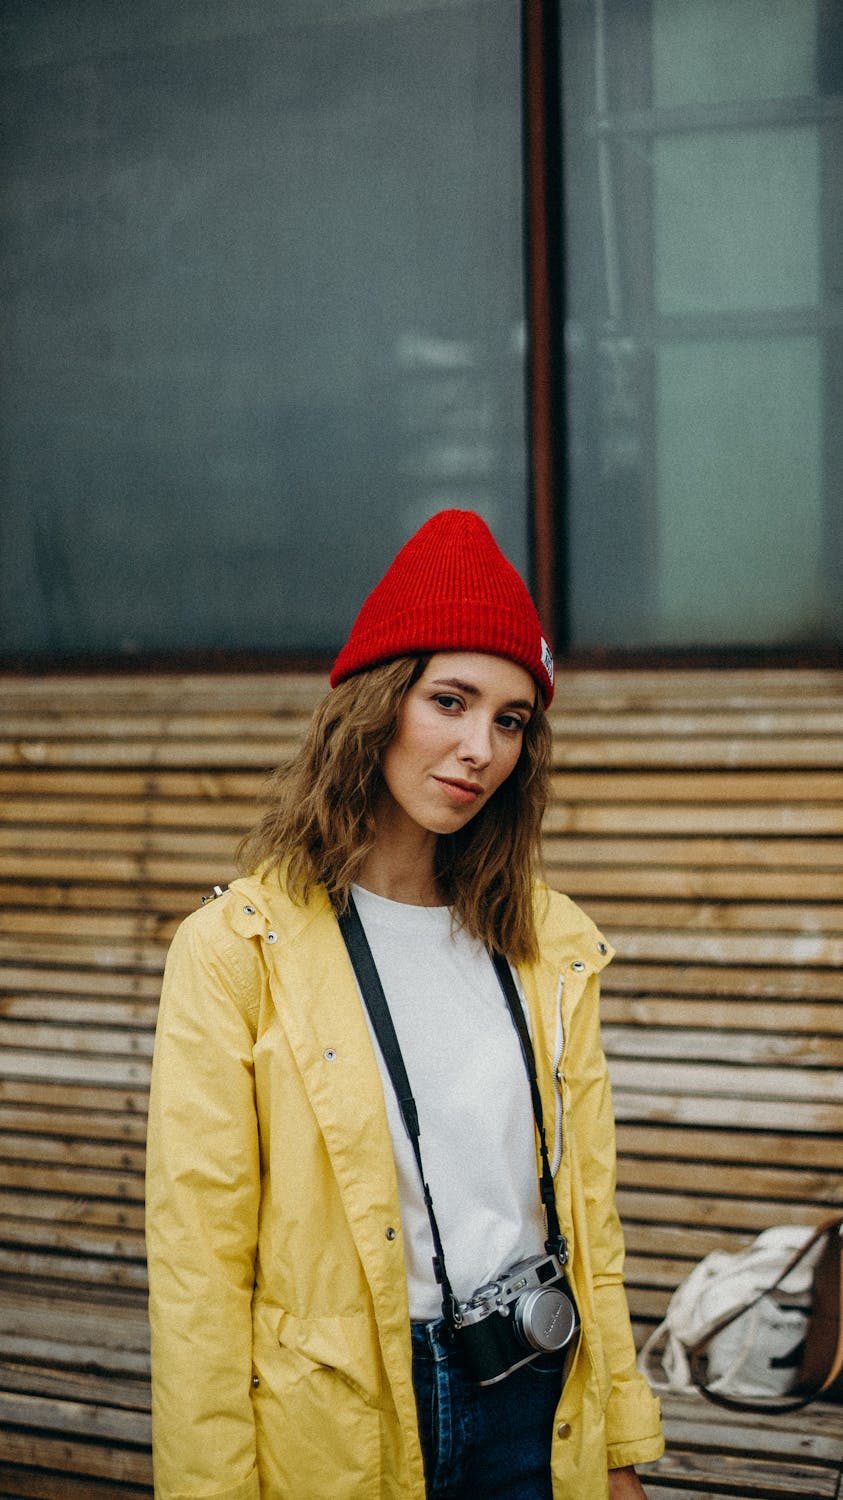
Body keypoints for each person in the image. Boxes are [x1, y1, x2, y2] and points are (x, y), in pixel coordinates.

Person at [146, 509, 664, 1500]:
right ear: (378, 702)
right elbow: (199, 1281)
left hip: (540, 1402)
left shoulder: (547, 943)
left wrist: (616, 1446)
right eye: (451, 701)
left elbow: (590, 1223)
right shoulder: (236, 953)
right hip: (345, 1423)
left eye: (512, 719)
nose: (480, 747)